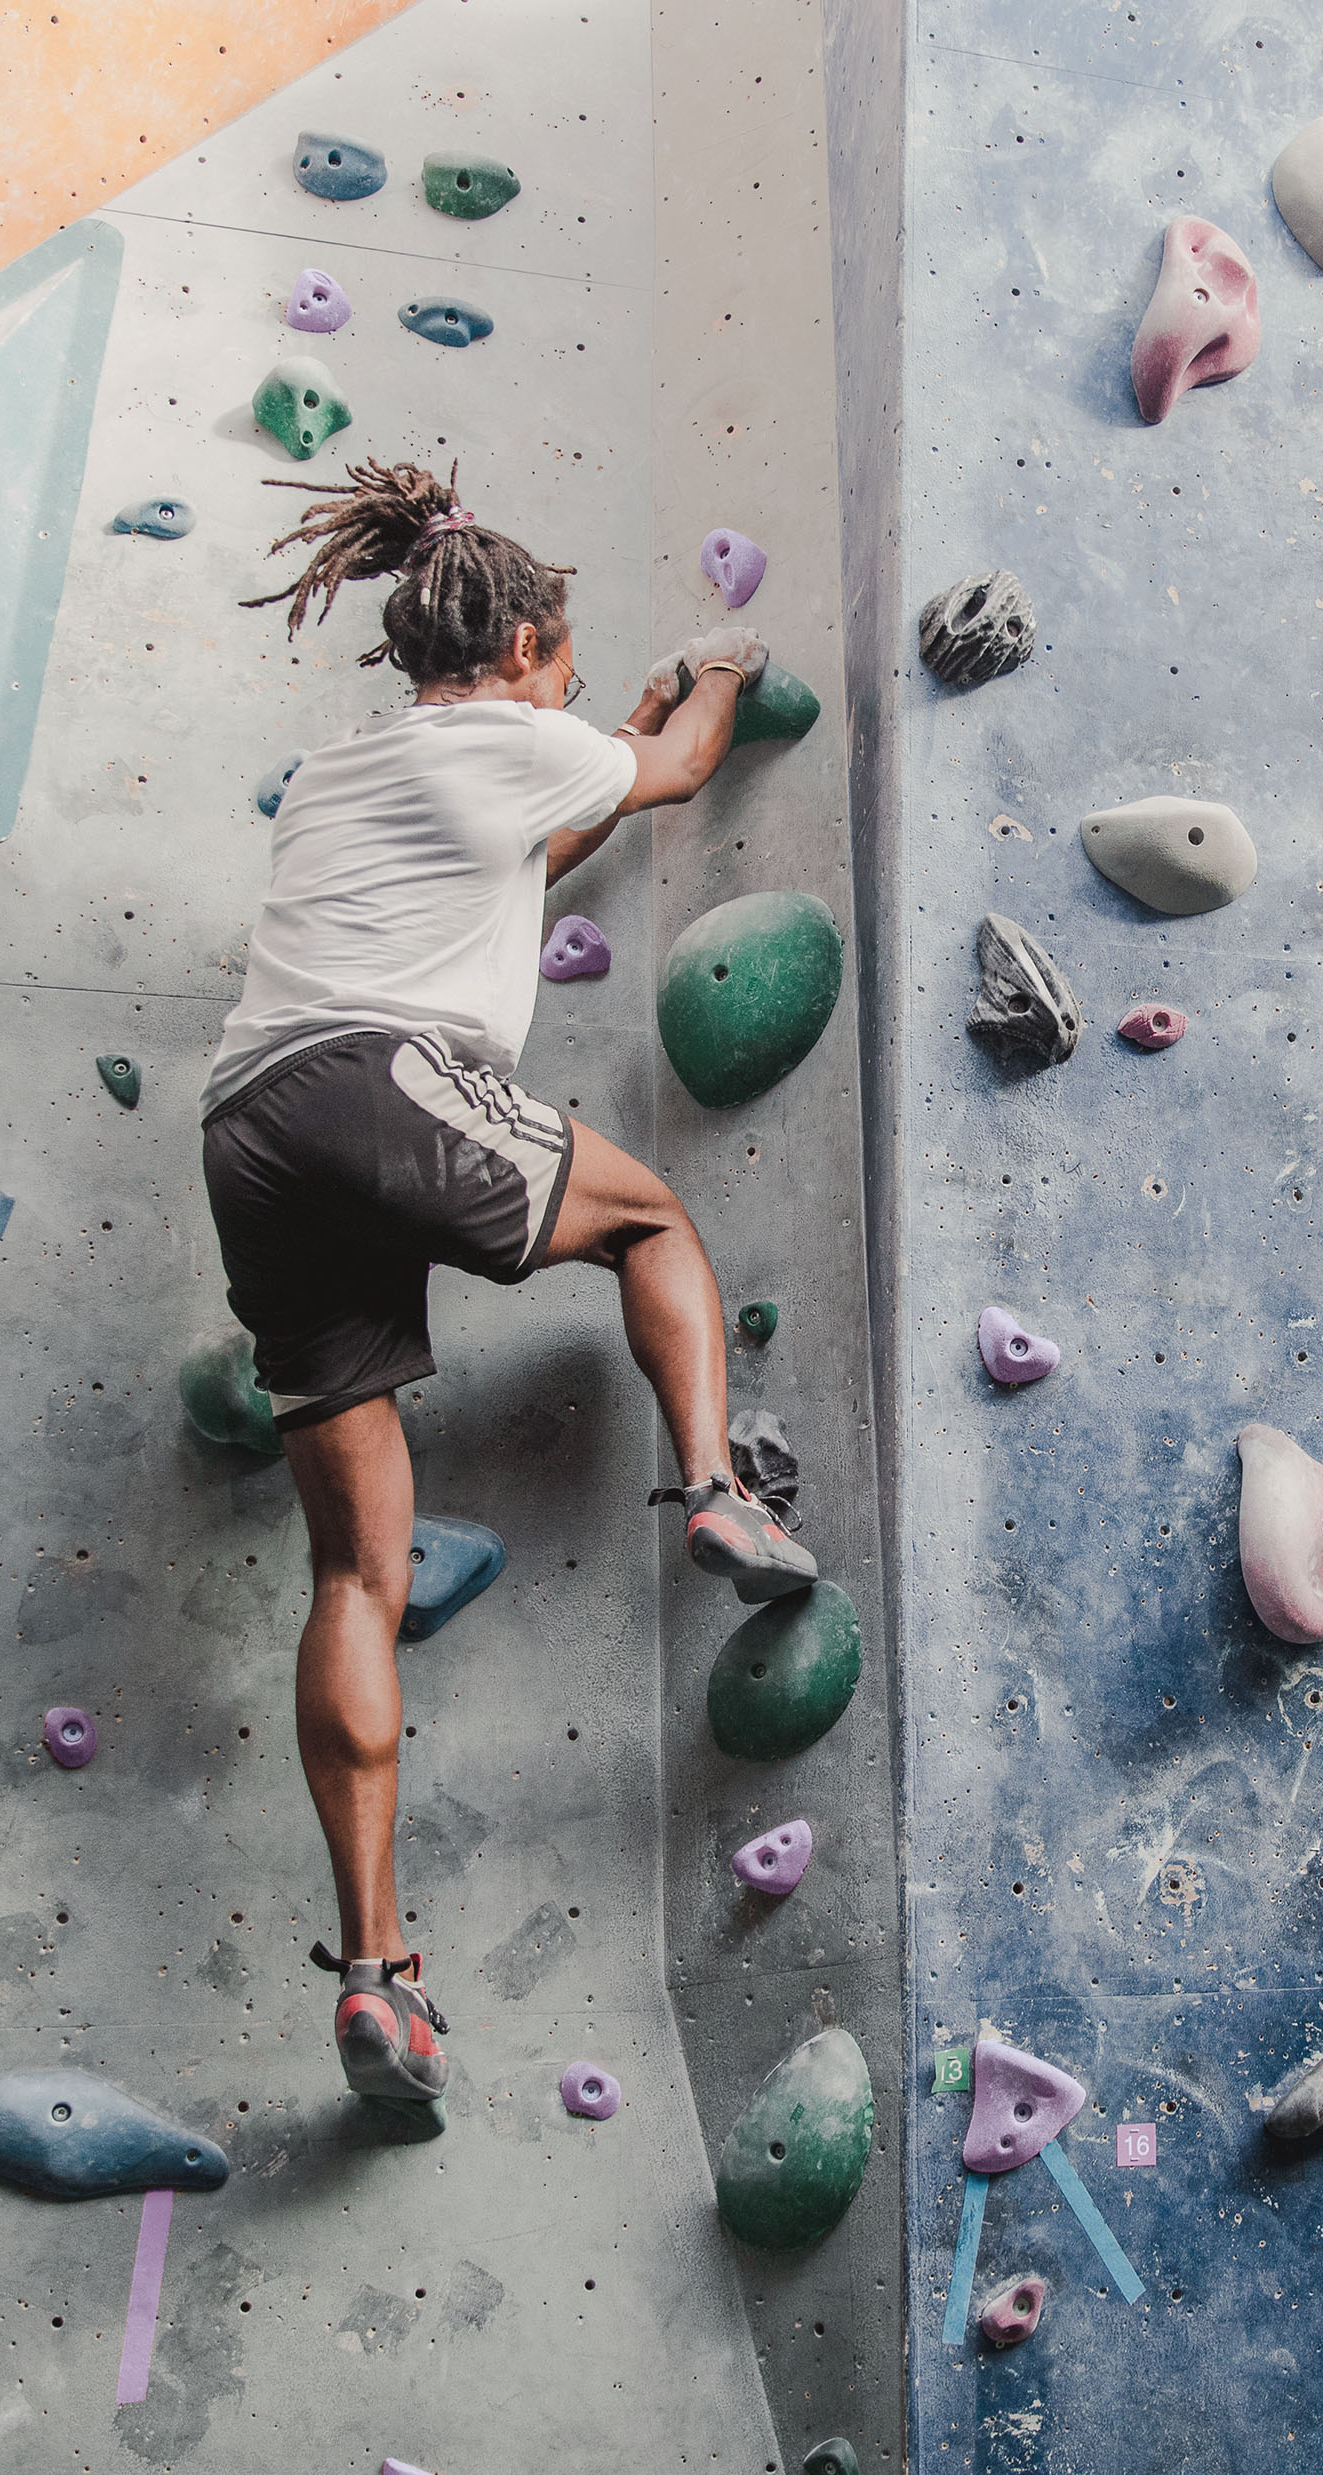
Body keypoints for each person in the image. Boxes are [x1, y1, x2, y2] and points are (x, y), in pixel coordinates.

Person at [201, 460, 815, 2105]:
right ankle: (714, 1491)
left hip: (249, 1132)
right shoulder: (527, 735)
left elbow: (506, 869)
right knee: (651, 1222)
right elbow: (675, 769)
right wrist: (721, 674)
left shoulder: (349, 771)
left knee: (353, 1575)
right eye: (568, 655)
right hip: (374, 1081)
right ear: (536, 641)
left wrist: (587, 758)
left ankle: (380, 1977)